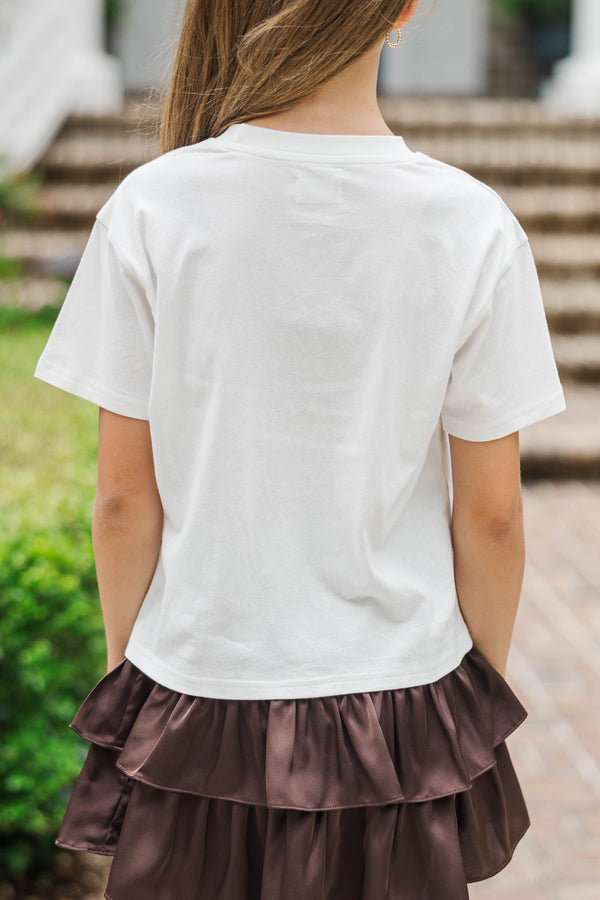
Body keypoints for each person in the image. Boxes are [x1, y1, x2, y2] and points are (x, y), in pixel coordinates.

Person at [34, 0, 567, 897]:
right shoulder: (470, 224)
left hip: (198, 691)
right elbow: (493, 513)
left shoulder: (153, 206)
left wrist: (145, 673)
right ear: (403, 14)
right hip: (397, 712)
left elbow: (125, 499)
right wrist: (461, 703)